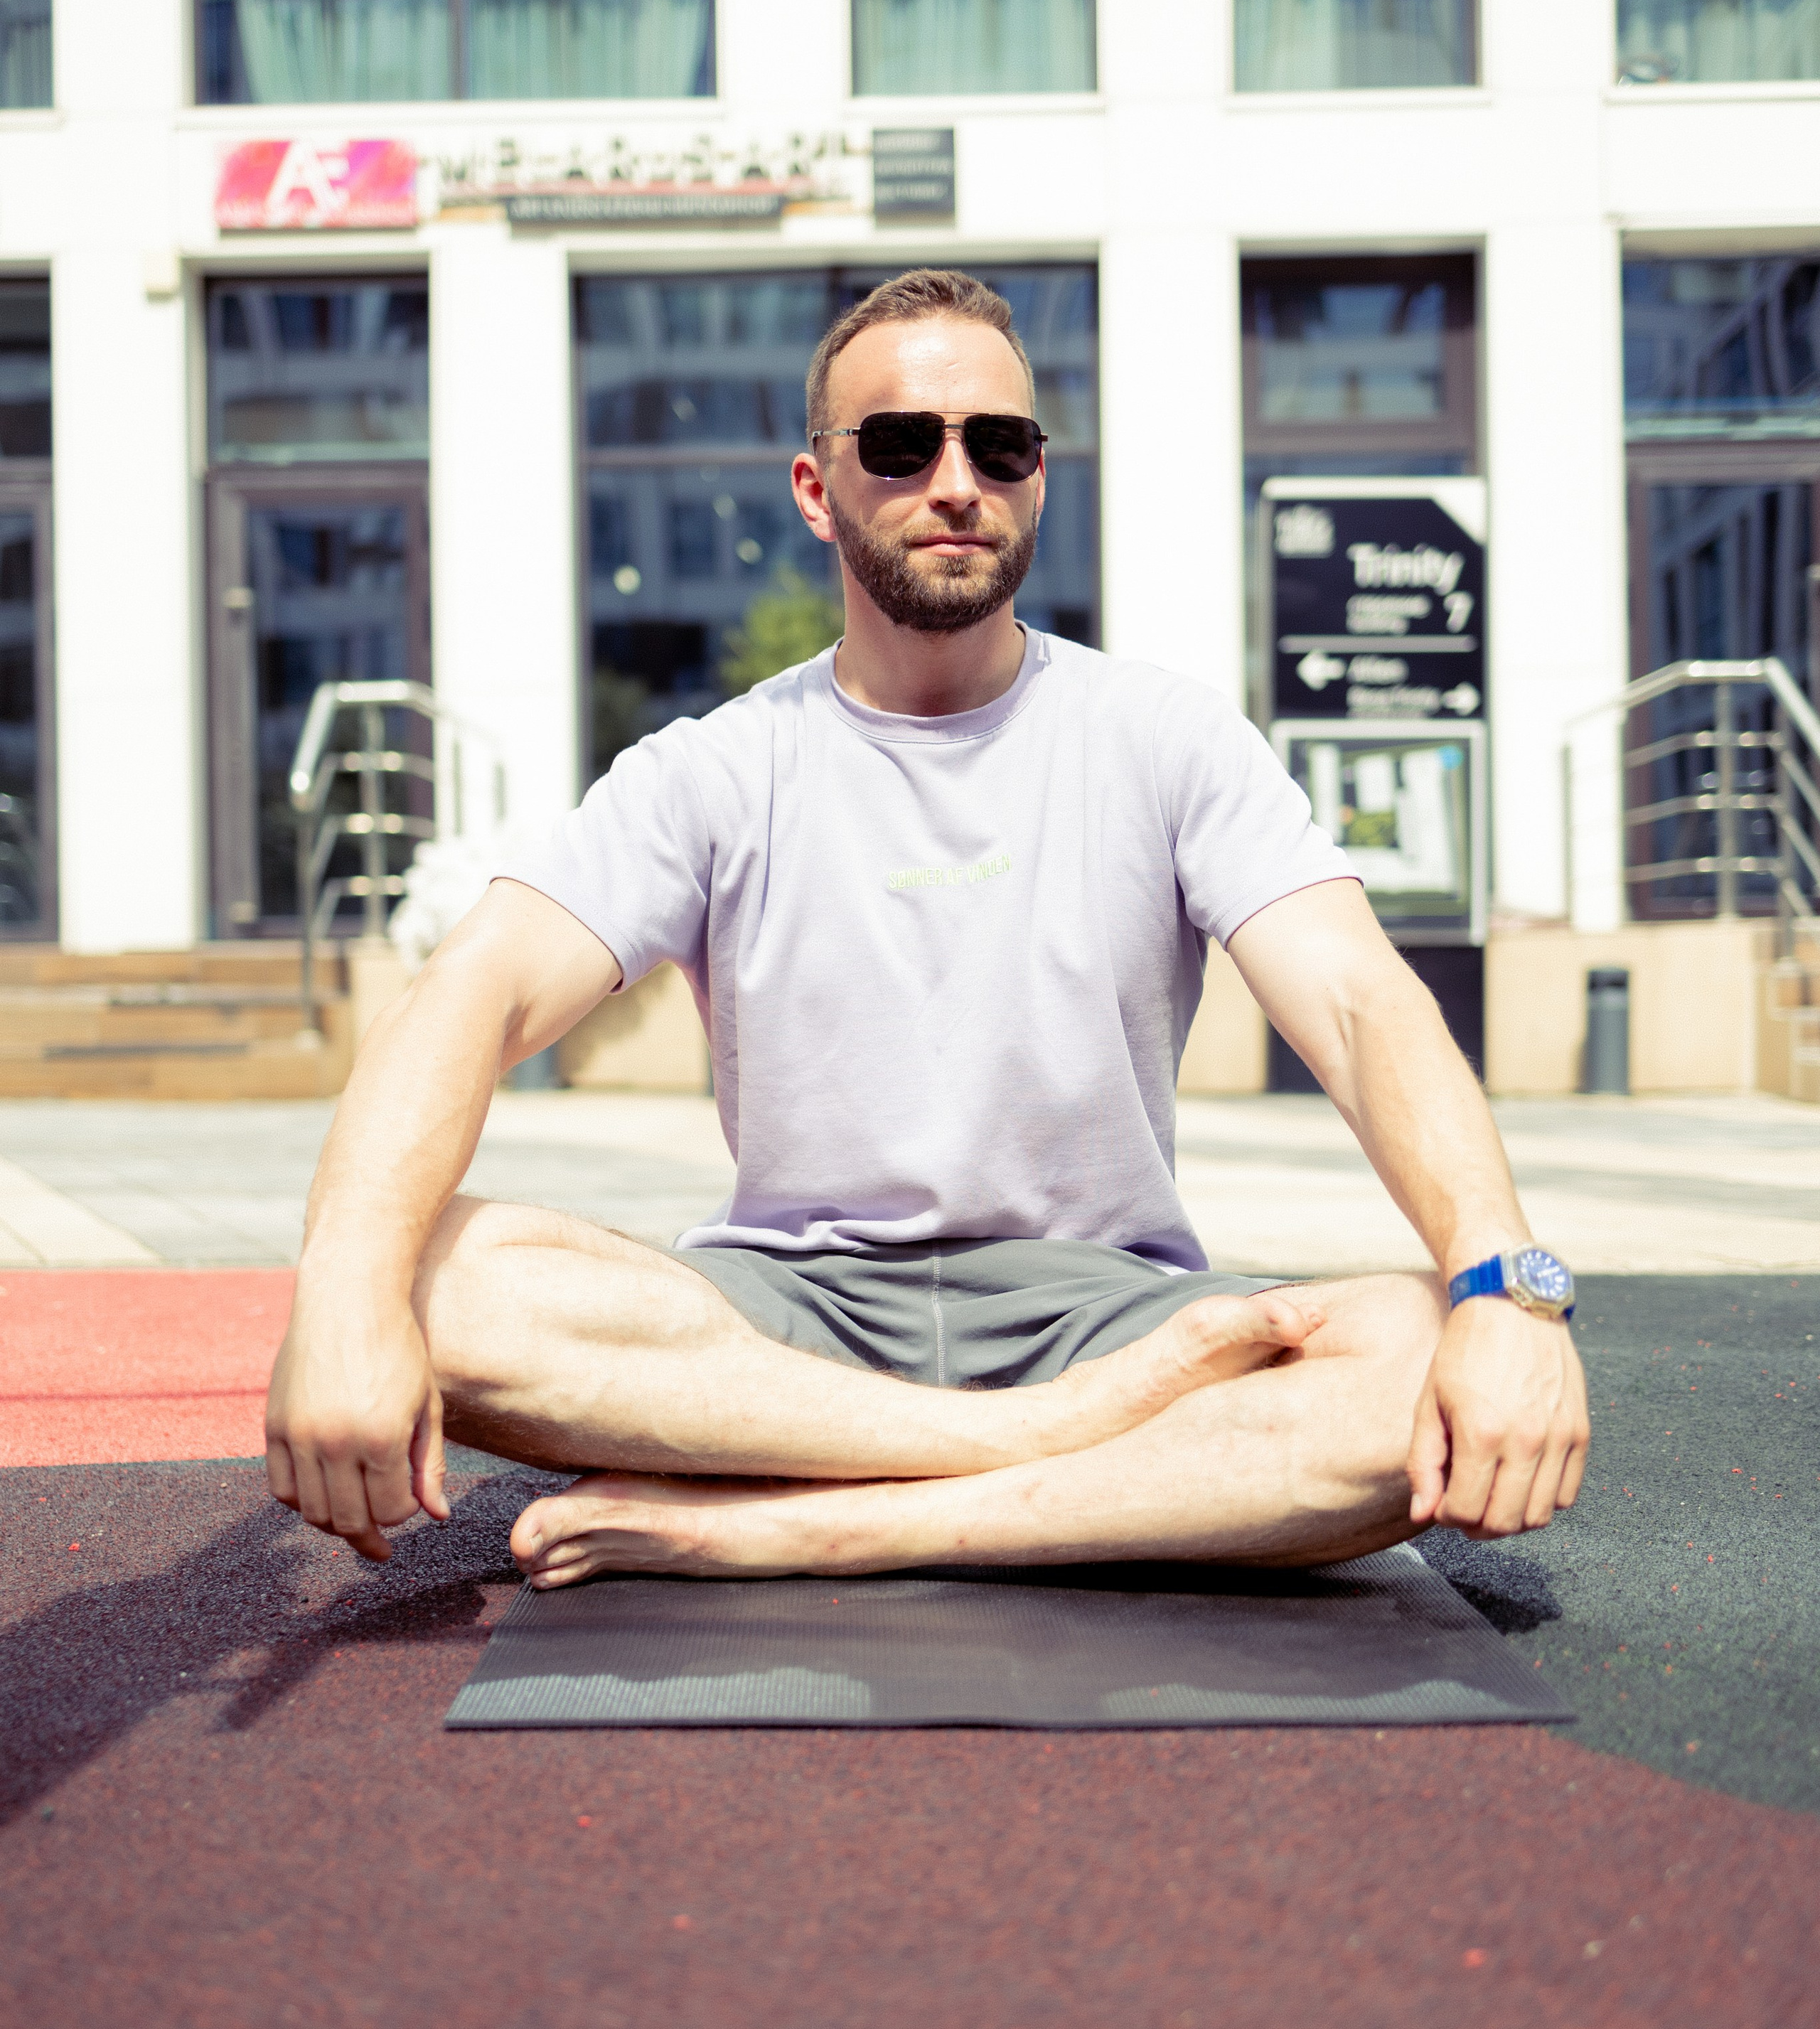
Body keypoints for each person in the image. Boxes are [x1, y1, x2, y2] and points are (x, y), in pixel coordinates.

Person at [265, 267, 1588, 1588]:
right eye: (901, 446)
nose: (956, 481)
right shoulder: (713, 767)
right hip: (792, 1317)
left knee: (1422, 1350)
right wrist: (341, 1291)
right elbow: (471, 991)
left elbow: (1362, 1009)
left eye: (998, 445)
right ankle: (1050, 1457)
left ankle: (824, 1523)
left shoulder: (1164, 738)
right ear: (816, 490)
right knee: (434, 1276)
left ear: (1038, 477)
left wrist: (1505, 1288)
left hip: (1105, 1307)